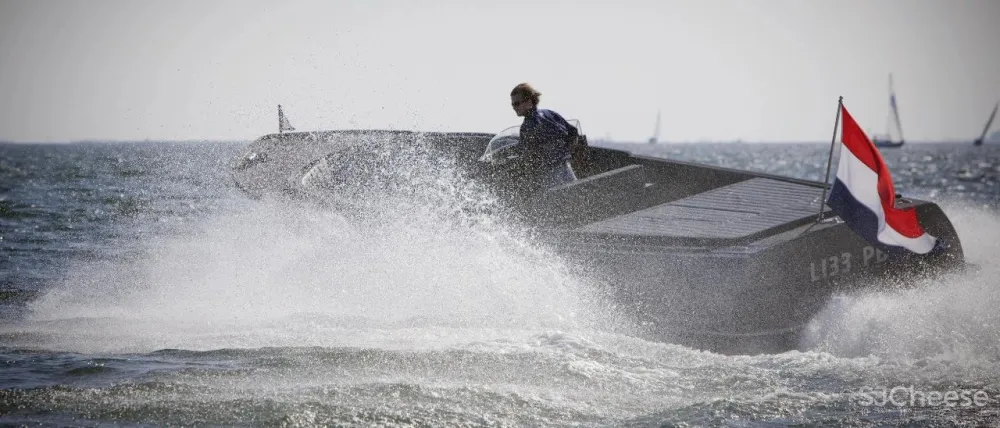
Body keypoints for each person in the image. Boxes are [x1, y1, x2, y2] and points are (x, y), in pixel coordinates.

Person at [509, 83, 579, 189]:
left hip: (550, 176)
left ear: (529, 101)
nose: (514, 107)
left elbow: (528, 156)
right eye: (513, 104)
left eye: (517, 103)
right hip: (566, 168)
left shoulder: (528, 125)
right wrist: (568, 153)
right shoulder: (550, 113)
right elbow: (573, 132)